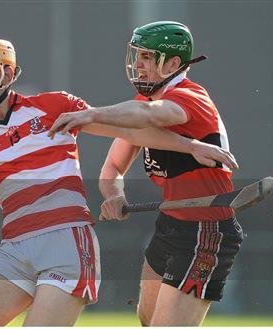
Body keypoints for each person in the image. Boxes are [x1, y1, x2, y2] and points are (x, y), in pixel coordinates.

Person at [0, 37, 238, 326]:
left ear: (7, 73)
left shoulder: (53, 106)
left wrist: (190, 146)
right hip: (14, 251)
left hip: (68, 244)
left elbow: (133, 133)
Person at [48, 21, 243, 326]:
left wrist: (92, 113)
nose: (137, 64)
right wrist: (114, 194)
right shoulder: (142, 105)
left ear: (174, 63)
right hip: (171, 224)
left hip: (207, 229)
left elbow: (150, 116)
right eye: (137, 55)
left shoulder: (191, 99)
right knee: (146, 317)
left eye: (148, 57)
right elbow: (112, 167)